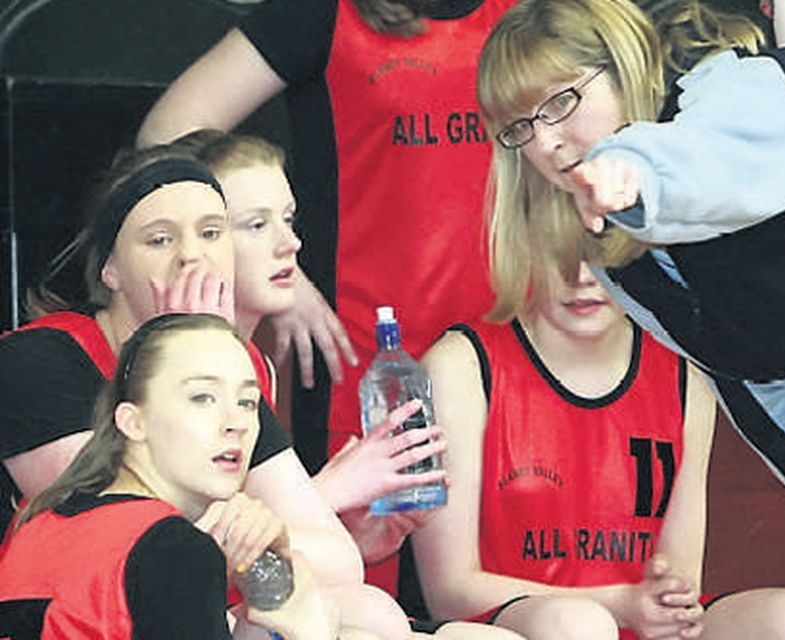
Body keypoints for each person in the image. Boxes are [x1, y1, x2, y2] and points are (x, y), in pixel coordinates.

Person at [474, 0, 785, 638]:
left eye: (561, 102)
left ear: (623, 68)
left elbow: (716, 170)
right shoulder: (632, 262)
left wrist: (634, 175)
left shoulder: (743, 90)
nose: (545, 141)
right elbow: (763, 384)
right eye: (519, 128)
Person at [136, 0, 515, 595]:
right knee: (351, 583)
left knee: (488, 590)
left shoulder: (529, 15)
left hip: (501, 347)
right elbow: (168, 136)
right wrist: (293, 282)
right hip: (359, 349)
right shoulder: (322, 14)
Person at [0, 145, 417, 640]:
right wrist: (318, 496)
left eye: (212, 233)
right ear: (110, 269)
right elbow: (143, 543)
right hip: (108, 609)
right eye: (159, 240)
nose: (191, 255)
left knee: (376, 613)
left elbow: (338, 562)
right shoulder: (37, 359)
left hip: (197, 595)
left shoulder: (245, 363)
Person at [184, 130, 524, 640]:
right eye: (257, 224)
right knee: (372, 617)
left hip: (267, 605)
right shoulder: (170, 371)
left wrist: (361, 534)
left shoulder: (258, 363)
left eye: (289, 219)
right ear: (202, 242)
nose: (290, 242)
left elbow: (285, 554)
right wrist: (333, 489)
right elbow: (181, 555)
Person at [414, 258, 785, 640]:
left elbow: (678, 580)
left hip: (634, 619)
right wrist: (619, 604)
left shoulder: (684, 372)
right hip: (519, 625)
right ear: (523, 245)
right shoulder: (462, 364)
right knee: (577, 626)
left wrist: (666, 601)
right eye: (560, 251)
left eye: (599, 254)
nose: (581, 277)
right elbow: (450, 591)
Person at [0, 312, 344, 639]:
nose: (236, 423)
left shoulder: (39, 523)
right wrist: (314, 633)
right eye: (202, 397)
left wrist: (267, 582)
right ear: (133, 422)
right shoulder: (172, 548)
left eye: (248, 402)